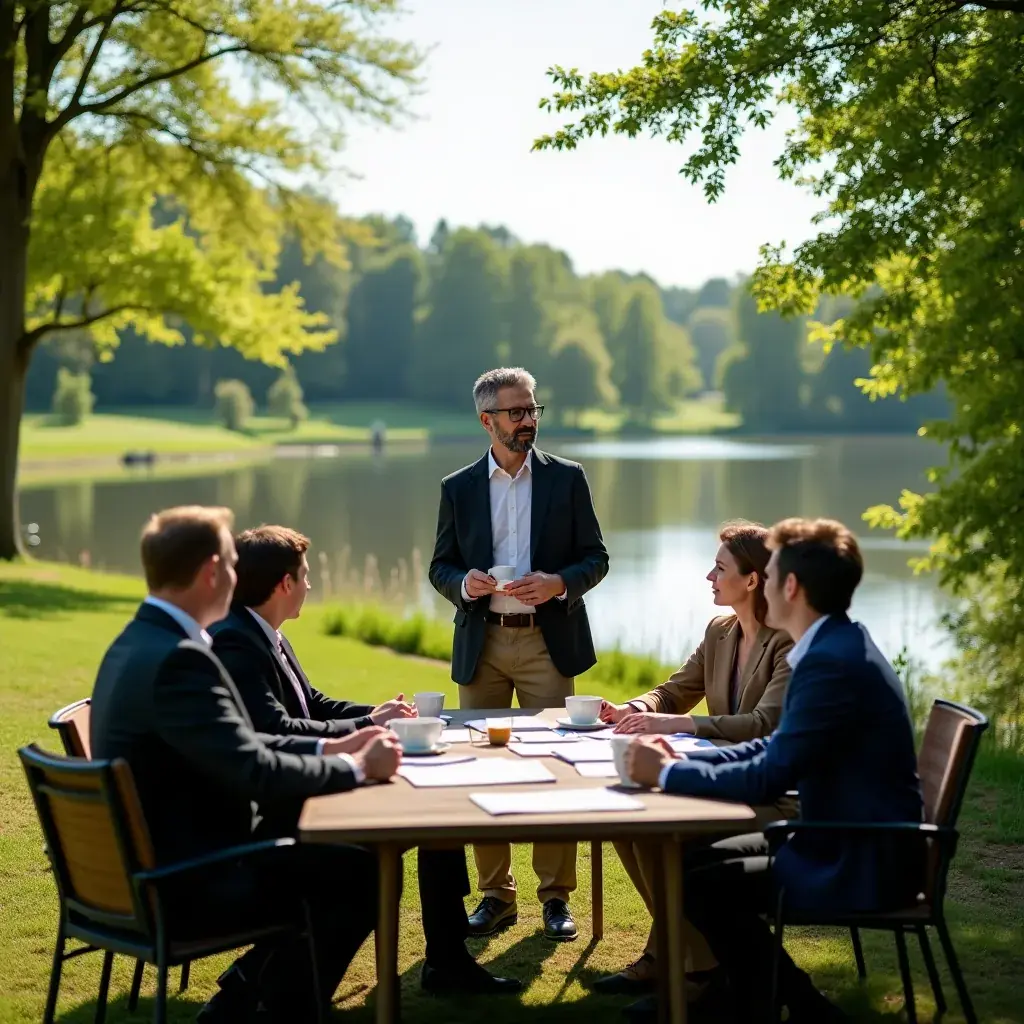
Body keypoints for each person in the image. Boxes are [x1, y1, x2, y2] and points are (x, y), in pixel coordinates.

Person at [90, 506, 402, 1023]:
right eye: (233, 567)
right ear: (213, 571)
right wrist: (356, 768)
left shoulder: (135, 642)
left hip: (145, 866)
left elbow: (243, 752)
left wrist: (337, 750)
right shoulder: (180, 659)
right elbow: (254, 770)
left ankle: (241, 1004)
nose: (239, 582)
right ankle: (275, 1012)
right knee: (357, 872)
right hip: (186, 880)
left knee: (339, 854)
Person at [623, 518, 925, 1023]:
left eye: (772, 570)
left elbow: (769, 773)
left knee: (702, 881)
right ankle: (757, 997)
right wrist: (677, 761)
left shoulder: (829, 662)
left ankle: (788, 1004)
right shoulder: (835, 645)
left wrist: (669, 775)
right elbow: (775, 749)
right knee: (697, 867)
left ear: (789, 586)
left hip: (859, 855)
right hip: (845, 836)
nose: (762, 579)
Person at [210, 524, 522, 995]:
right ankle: (261, 981)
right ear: (284, 585)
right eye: (305, 576)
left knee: (439, 817)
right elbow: (276, 730)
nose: (311, 585)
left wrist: (373, 714)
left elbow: (311, 703)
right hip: (284, 808)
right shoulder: (238, 642)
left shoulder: (263, 632)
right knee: (408, 835)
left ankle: (447, 959)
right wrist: (364, 731)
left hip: (302, 784)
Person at [429, 366, 609, 942]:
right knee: (483, 768)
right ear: (488, 421)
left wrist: (559, 583)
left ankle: (556, 898)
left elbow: (596, 557)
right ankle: (495, 897)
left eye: (532, 410)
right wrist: (465, 583)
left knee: (555, 768)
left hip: (545, 643)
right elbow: (440, 565)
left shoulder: (568, 478)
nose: (528, 420)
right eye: (516, 412)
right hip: (482, 643)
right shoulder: (457, 487)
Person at [594, 520, 793, 998]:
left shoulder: (786, 642)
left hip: (766, 790)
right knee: (629, 824)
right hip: (721, 776)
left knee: (666, 833)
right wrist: (636, 708)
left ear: (751, 580)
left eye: (719, 568)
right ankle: (679, 956)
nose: (709, 576)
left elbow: (765, 724)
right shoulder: (720, 630)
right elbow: (676, 689)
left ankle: (690, 968)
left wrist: (683, 726)